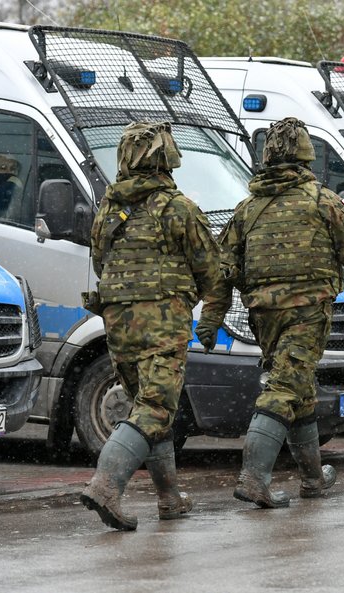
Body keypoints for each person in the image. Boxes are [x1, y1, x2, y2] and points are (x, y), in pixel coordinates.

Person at [197, 117, 344, 508]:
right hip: (306, 315)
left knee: (300, 391)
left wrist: (211, 320)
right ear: (307, 157)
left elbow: (223, 270)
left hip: (264, 318)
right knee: (283, 390)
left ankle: (312, 478)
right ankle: (254, 479)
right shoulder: (323, 201)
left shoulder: (247, 209)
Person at [80, 121, 224, 531]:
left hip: (119, 324)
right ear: (167, 159)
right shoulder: (179, 209)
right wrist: (210, 321)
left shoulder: (109, 209)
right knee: (156, 407)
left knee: (148, 403)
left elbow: (101, 264)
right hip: (162, 324)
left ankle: (169, 498)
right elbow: (212, 274)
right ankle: (105, 486)